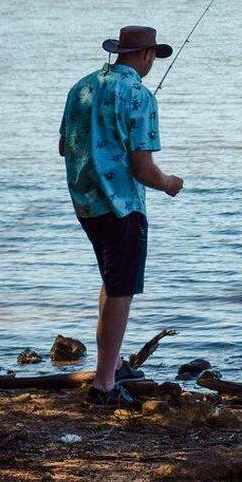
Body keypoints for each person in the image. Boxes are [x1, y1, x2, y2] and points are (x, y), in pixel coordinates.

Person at [59, 25, 184, 408]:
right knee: (121, 289)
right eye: (152, 57)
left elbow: (65, 147)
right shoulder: (139, 95)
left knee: (111, 283)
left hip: (86, 203)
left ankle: (107, 366)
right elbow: (143, 167)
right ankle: (104, 385)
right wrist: (169, 183)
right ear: (146, 55)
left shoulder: (81, 86)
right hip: (122, 205)